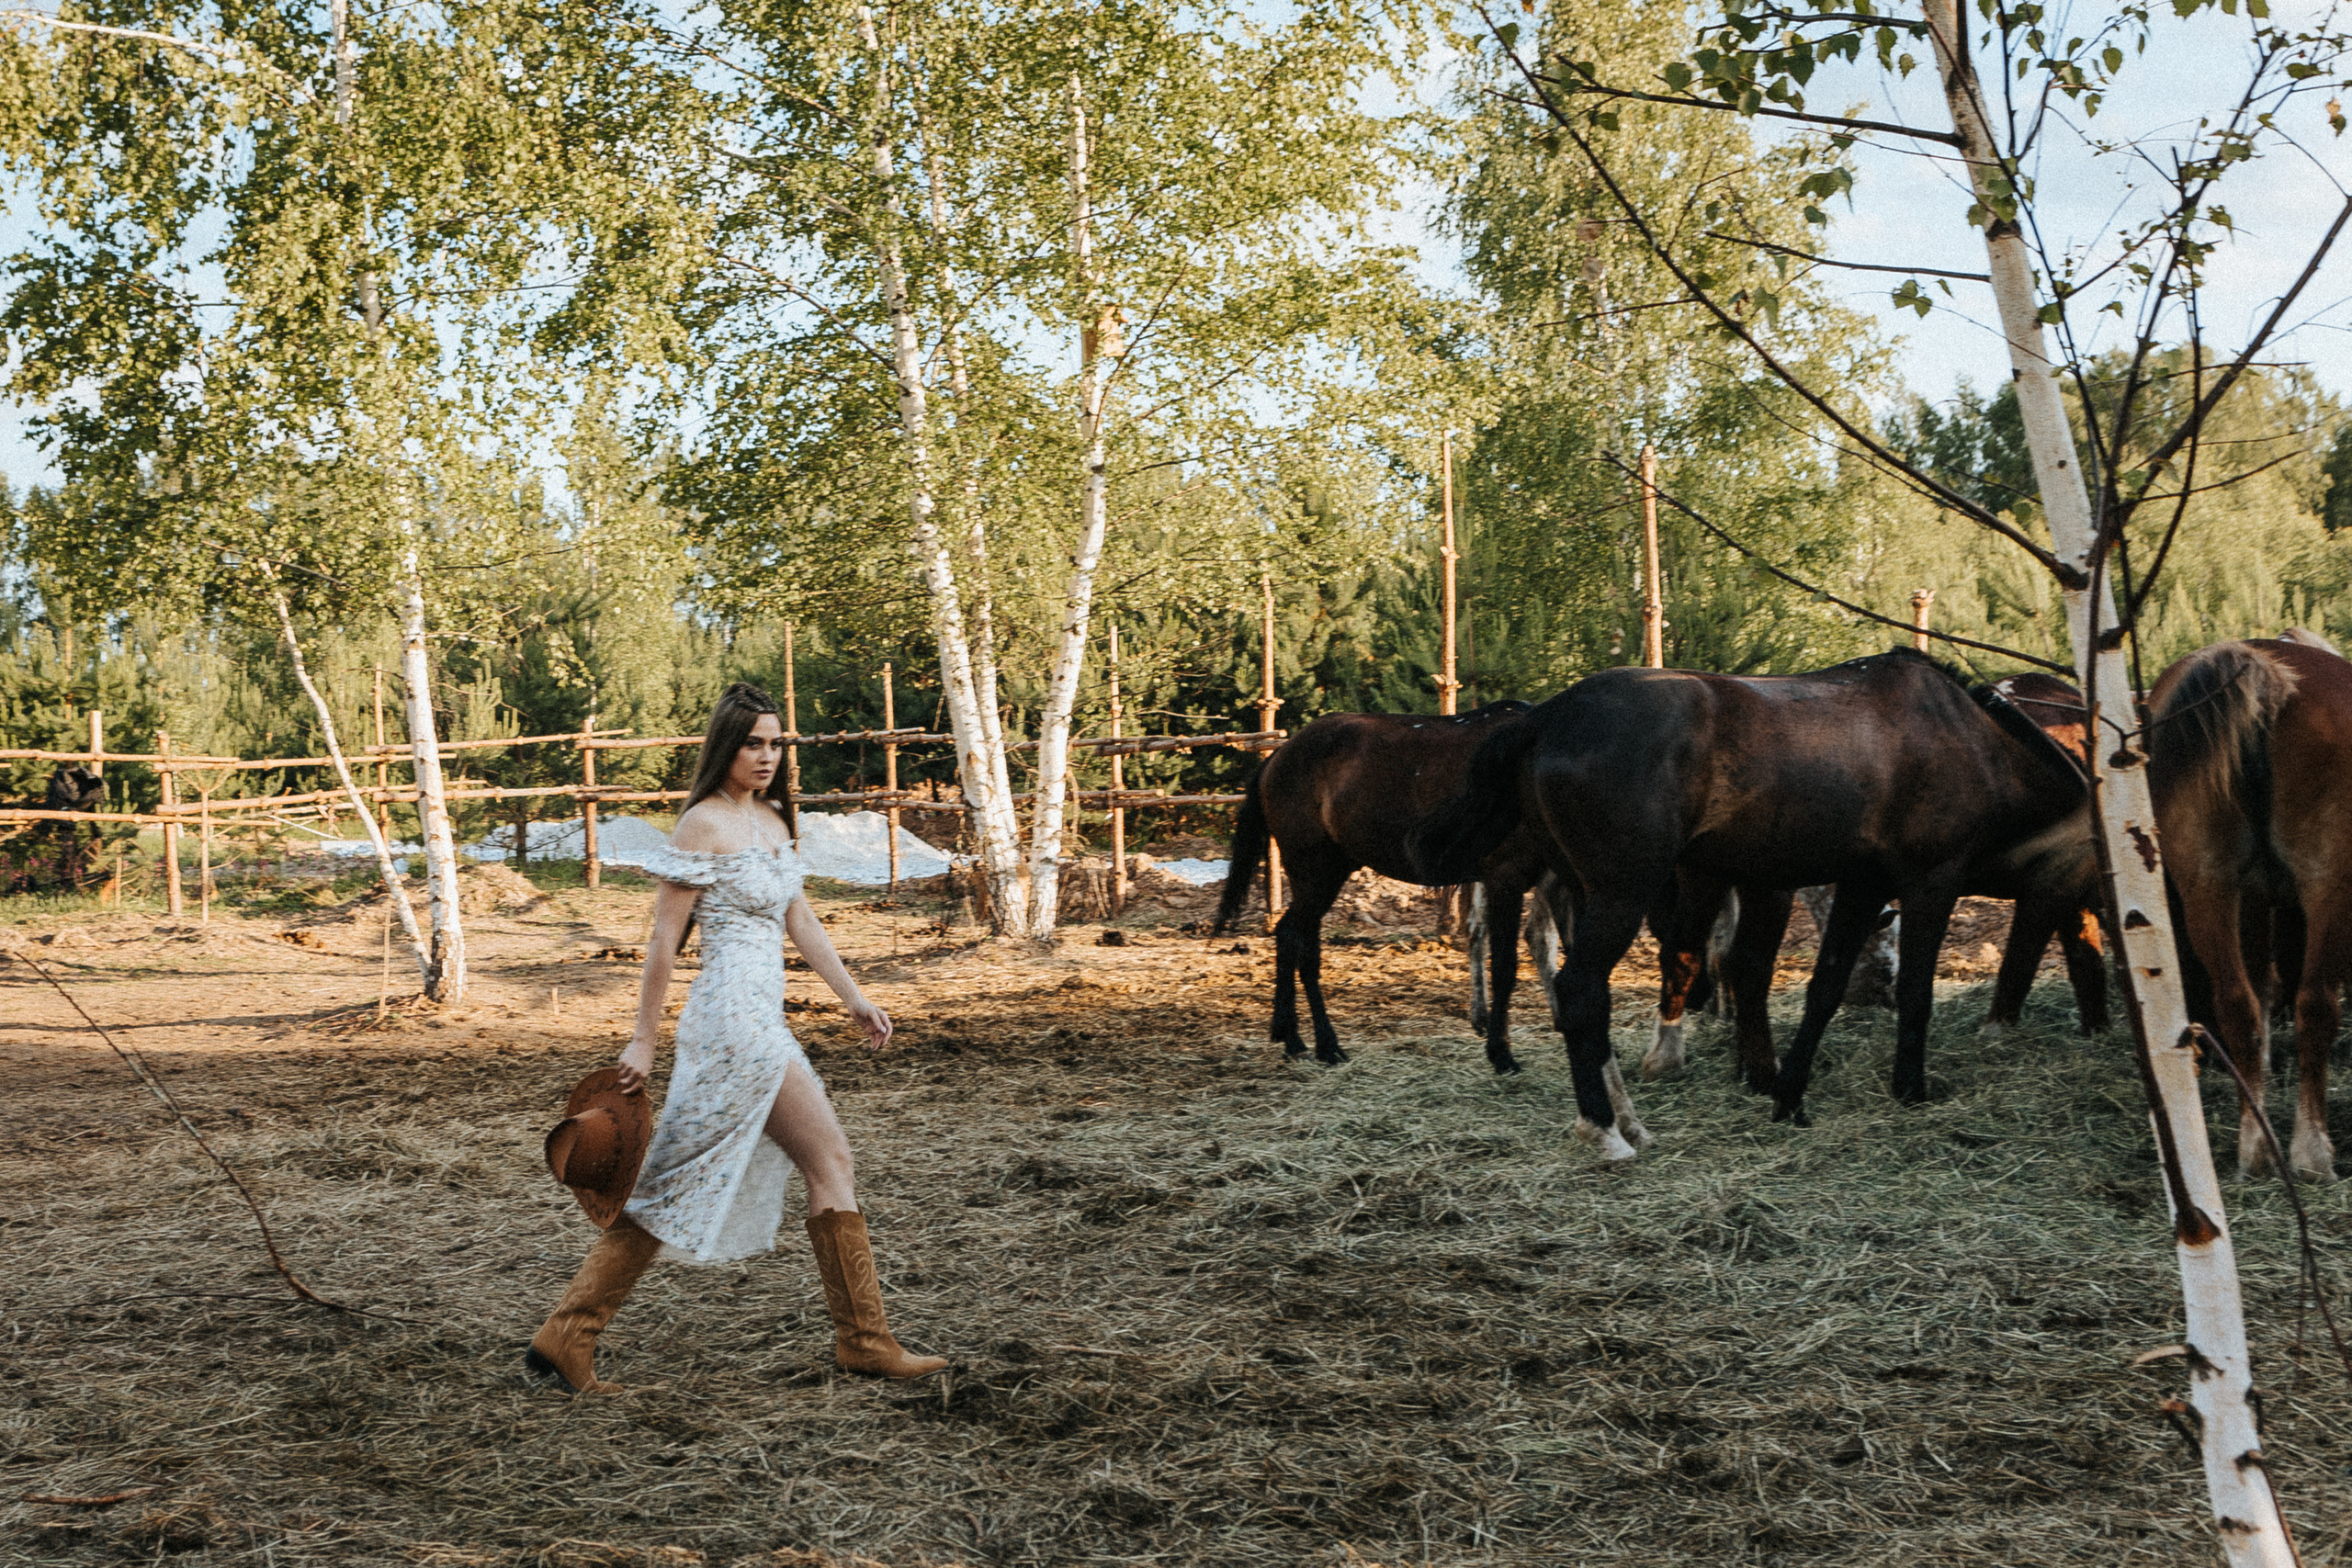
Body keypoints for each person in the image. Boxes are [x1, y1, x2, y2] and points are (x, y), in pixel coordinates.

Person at [525, 682, 948, 1393]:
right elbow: (663, 942)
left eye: (776, 743)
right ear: (726, 745)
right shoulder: (702, 824)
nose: (767, 755)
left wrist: (854, 997)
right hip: (728, 1025)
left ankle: (566, 1334)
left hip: (763, 1020)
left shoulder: (774, 821)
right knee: (823, 1158)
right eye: (753, 742)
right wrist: (643, 1041)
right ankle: (864, 1341)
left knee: (680, 1181)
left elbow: (800, 918)